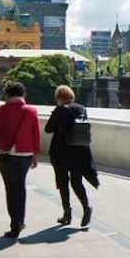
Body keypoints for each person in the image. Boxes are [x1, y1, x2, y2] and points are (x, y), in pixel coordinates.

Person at [0, 82, 41, 239]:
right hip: (25, 155)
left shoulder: (2, 110)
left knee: (11, 189)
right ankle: (20, 221)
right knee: (20, 187)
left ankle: (15, 224)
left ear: (7, 95)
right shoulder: (31, 111)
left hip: (6, 154)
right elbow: (35, 135)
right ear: (23, 95)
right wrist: (35, 155)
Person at [44, 84, 99, 227]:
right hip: (79, 152)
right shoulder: (82, 108)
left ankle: (67, 214)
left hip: (61, 152)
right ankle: (86, 207)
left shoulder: (60, 110)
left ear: (59, 97)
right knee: (76, 181)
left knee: (63, 183)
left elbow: (48, 129)